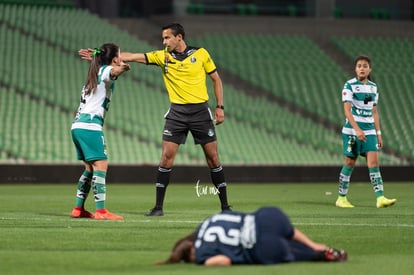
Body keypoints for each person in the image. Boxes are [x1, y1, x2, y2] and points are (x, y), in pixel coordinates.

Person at [79, 23, 231, 216]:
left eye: (167, 38)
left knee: (213, 159)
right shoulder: (162, 56)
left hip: (201, 112)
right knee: (166, 158)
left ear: (179, 37)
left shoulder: (201, 54)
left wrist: (220, 107)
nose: (164, 41)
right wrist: (101, 55)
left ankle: (225, 207)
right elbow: (133, 56)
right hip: (177, 113)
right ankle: (158, 207)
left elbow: (216, 79)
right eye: (163, 38)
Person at [158, 206, 347, 265]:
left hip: (263, 246)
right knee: (288, 236)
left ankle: (318, 254)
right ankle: (315, 246)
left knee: (290, 252)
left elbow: (224, 261)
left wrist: (204, 263)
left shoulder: (201, 255)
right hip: (268, 216)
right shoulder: (205, 223)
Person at [71, 43, 130, 220]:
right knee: (101, 165)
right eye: (119, 55)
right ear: (114, 59)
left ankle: (78, 209)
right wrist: (122, 69)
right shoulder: (105, 70)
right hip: (90, 125)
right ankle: (101, 211)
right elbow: (112, 73)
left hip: (77, 126)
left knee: (89, 168)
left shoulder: (95, 71)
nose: (122, 58)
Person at [336, 55, 396, 208]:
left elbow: (374, 112)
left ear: (370, 69)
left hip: (369, 130)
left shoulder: (373, 87)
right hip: (351, 131)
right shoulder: (349, 85)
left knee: (374, 162)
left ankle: (380, 198)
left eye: (365, 66)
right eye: (359, 66)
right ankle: (341, 198)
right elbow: (347, 111)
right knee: (350, 162)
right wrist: (357, 130)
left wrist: (378, 133)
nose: (362, 68)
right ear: (355, 69)